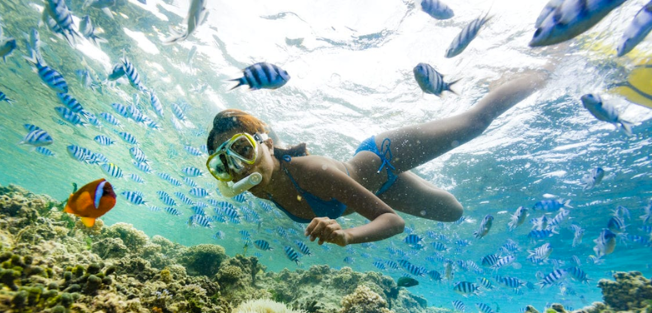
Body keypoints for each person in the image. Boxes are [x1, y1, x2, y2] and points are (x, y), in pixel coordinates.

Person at [205, 70, 550, 247]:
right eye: (224, 163)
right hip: (380, 189)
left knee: (475, 122)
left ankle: (538, 73)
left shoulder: (312, 171)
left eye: (242, 148)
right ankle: (409, 173)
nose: (239, 167)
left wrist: (348, 236)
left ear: (264, 143)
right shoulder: (256, 188)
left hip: (382, 155)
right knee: (453, 212)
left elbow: (393, 222)